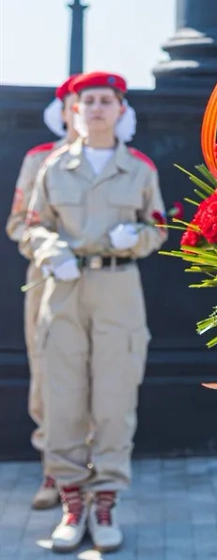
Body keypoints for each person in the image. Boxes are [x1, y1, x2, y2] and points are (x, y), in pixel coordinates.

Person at [21, 70, 165, 553]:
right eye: (89, 102)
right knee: (62, 399)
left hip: (117, 289)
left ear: (121, 110)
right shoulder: (53, 168)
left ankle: (104, 501)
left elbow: (158, 227)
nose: (97, 108)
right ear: (74, 112)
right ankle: (71, 502)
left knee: (114, 400)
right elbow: (34, 224)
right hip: (63, 290)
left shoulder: (141, 170)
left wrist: (137, 238)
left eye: (106, 100)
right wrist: (49, 251)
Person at [6, 75, 79, 509]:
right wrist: (48, 250)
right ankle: (54, 471)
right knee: (49, 379)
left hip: (104, 285)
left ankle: (93, 472)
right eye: (77, 102)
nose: (86, 111)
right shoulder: (40, 159)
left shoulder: (125, 162)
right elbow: (20, 222)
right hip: (50, 285)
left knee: (102, 377)